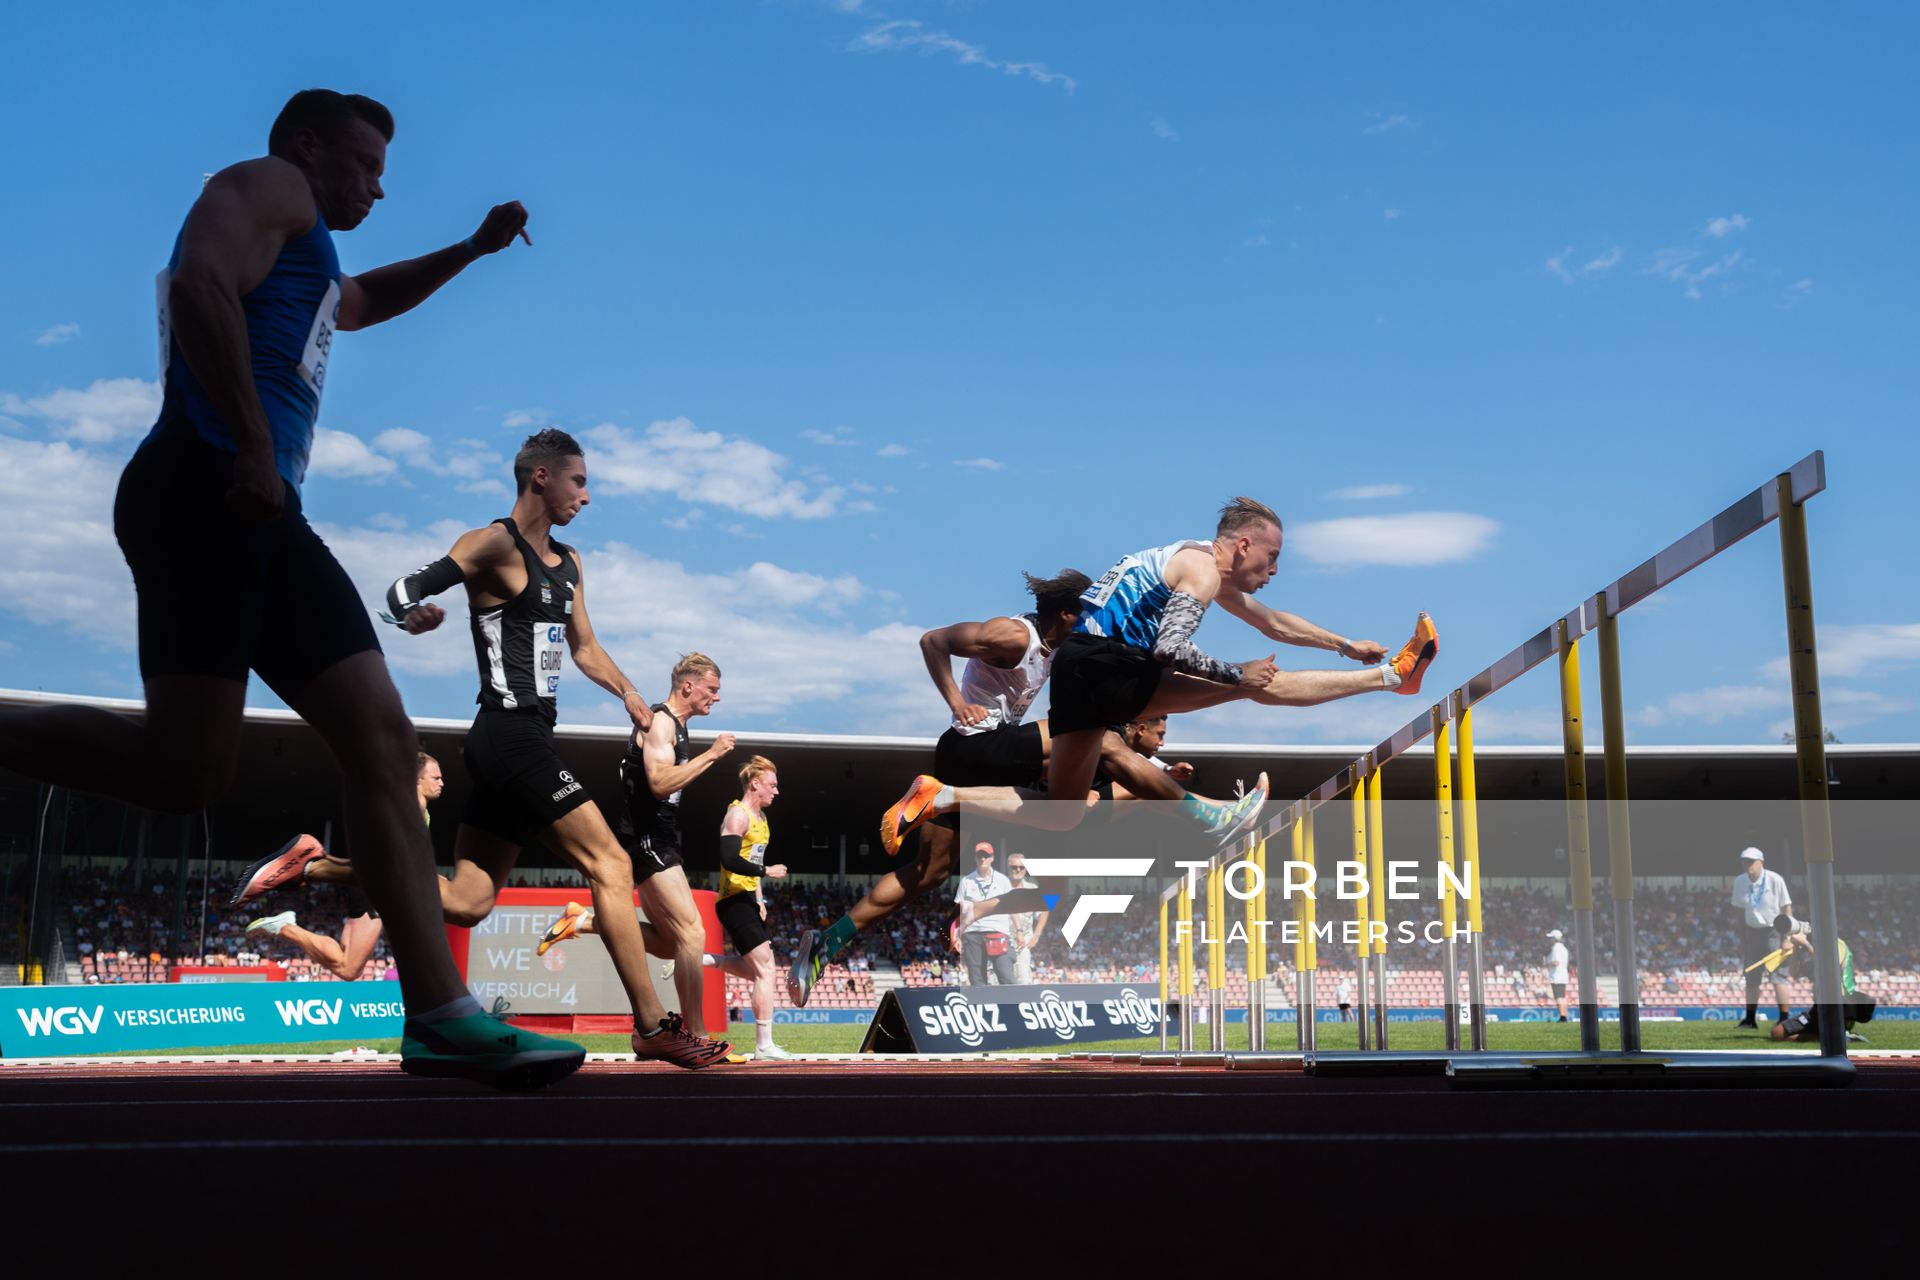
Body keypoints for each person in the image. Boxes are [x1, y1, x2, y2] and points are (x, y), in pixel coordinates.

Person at [0, 89, 579, 1089]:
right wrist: (257, 443)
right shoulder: (268, 187)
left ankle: (440, 1015)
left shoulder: (310, 259)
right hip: (209, 482)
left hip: (262, 506)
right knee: (192, 773)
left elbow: (359, 302)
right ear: (309, 148)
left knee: (378, 740)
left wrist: (471, 251)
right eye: (364, 164)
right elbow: (197, 284)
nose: (377, 185)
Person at [273, 428, 728, 1068]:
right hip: (507, 735)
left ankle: (320, 866)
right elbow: (405, 589)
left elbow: (585, 647)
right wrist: (413, 616)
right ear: (540, 477)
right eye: (579, 480)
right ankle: (652, 1024)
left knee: (468, 901)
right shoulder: (492, 544)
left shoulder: (569, 564)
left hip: (523, 740)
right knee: (611, 865)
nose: (587, 496)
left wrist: (629, 693)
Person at [879, 497, 1438, 854]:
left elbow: (1272, 623)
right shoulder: (1198, 568)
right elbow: (1171, 647)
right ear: (1242, 544)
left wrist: (1345, 645)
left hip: (1079, 670)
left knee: (1062, 816)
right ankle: (1395, 677)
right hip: (1108, 665)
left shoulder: (1189, 561)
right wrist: (1235, 675)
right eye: (1270, 558)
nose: (1273, 571)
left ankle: (942, 795)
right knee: (1258, 686)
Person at [788, 570, 1176, 1004]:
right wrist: (956, 701)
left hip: (975, 759)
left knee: (927, 874)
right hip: (977, 746)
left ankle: (826, 943)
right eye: (1086, 616)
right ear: (1066, 612)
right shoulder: (1014, 636)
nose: (1091, 626)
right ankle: (1197, 808)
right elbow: (933, 640)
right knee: (1093, 743)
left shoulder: (1058, 646)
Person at [535, 653, 738, 1042]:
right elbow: (660, 783)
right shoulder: (661, 722)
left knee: (667, 944)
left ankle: (582, 921)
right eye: (712, 690)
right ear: (688, 686)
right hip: (648, 838)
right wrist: (712, 755)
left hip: (655, 837)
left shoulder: (676, 727)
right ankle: (697, 1034)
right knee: (692, 933)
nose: (716, 698)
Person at [245, 752, 442, 978]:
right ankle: (285, 927)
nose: (441, 783)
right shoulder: (412, 806)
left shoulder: (416, 808)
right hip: (376, 890)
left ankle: (286, 925)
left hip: (367, 885)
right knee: (348, 969)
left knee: (345, 960)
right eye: (436, 778)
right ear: (417, 779)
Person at [699, 757, 790, 1059]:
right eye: (772, 785)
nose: (777, 791)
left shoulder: (762, 819)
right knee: (766, 969)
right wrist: (768, 872)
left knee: (759, 971)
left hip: (749, 900)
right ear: (755, 784)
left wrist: (760, 897)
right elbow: (730, 859)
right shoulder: (737, 816)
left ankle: (708, 960)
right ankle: (764, 1046)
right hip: (732, 900)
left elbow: (753, 861)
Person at [1765, 914, 1875, 1044]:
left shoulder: (1837, 943)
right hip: (1819, 1007)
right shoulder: (1815, 948)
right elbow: (1794, 973)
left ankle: (1838, 1035)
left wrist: (1806, 943)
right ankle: (1838, 1037)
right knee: (1776, 1033)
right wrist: (1796, 947)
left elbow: (1829, 968)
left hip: (1838, 1005)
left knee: (1778, 1034)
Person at [1732, 847, 1793, 1028]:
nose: (1747, 865)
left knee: (1778, 977)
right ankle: (1750, 1019)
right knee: (1751, 976)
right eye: (1744, 861)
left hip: (1774, 930)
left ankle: (1784, 1018)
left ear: (1762, 862)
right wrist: (1742, 940)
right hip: (1752, 932)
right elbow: (1738, 913)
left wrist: (1786, 937)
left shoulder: (1775, 879)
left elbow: (1786, 908)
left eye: (1751, 861)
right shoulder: (1740, 881)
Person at [954, 844, 1016, 986]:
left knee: (1005, 974)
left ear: (992, 858)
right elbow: (959, 910)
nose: (982, 858)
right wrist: (957, 934)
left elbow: (1012, 907)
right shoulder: (966, 881)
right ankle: (984, 1006)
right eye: (979, 855)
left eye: (986, 855)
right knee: (976, 977)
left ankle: (1015, 1004)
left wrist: (1018, 931)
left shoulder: (1003, 880)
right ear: (975, 857)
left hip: (997, 931)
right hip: (972, 932)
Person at [1005, 852, 1048, 985]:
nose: (1018, 870)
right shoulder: (998, 887)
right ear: (1008, 867)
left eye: (1021, 867)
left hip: (1023, 944)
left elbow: (1045, 911)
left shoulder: (1033, 889)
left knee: (1023, 980)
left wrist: (1036, 935)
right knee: (1000, 982)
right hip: (1002, 942)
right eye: (1014, 867)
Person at [1546, 929, 1570, 1022]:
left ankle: (1562, 1017)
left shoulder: (1556, 947)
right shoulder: (1564, 948)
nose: (1550, 940)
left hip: (1557, 975)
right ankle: (1564, 1016)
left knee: (1559, 997)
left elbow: (1556, 962)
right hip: (1563, 974)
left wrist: (1546, 963)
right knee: (1562, 997)